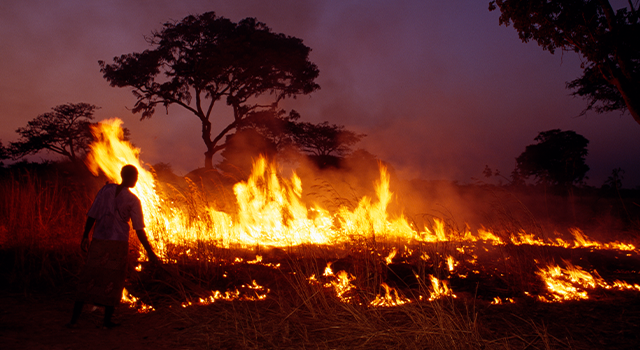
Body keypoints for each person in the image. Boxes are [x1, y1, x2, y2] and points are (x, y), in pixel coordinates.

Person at [67, 164, 159, 329]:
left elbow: (92, 214)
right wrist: (150, 252)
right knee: (113, 280)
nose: (137, 180)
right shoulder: (133, 200)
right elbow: (139, 230)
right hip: (117, 244)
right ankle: (106, 321)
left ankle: (74, 319)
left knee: (89, 276)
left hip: (99, 240)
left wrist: (85, 235)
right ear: (130, 177)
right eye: (136, 177)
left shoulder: (105, 190)